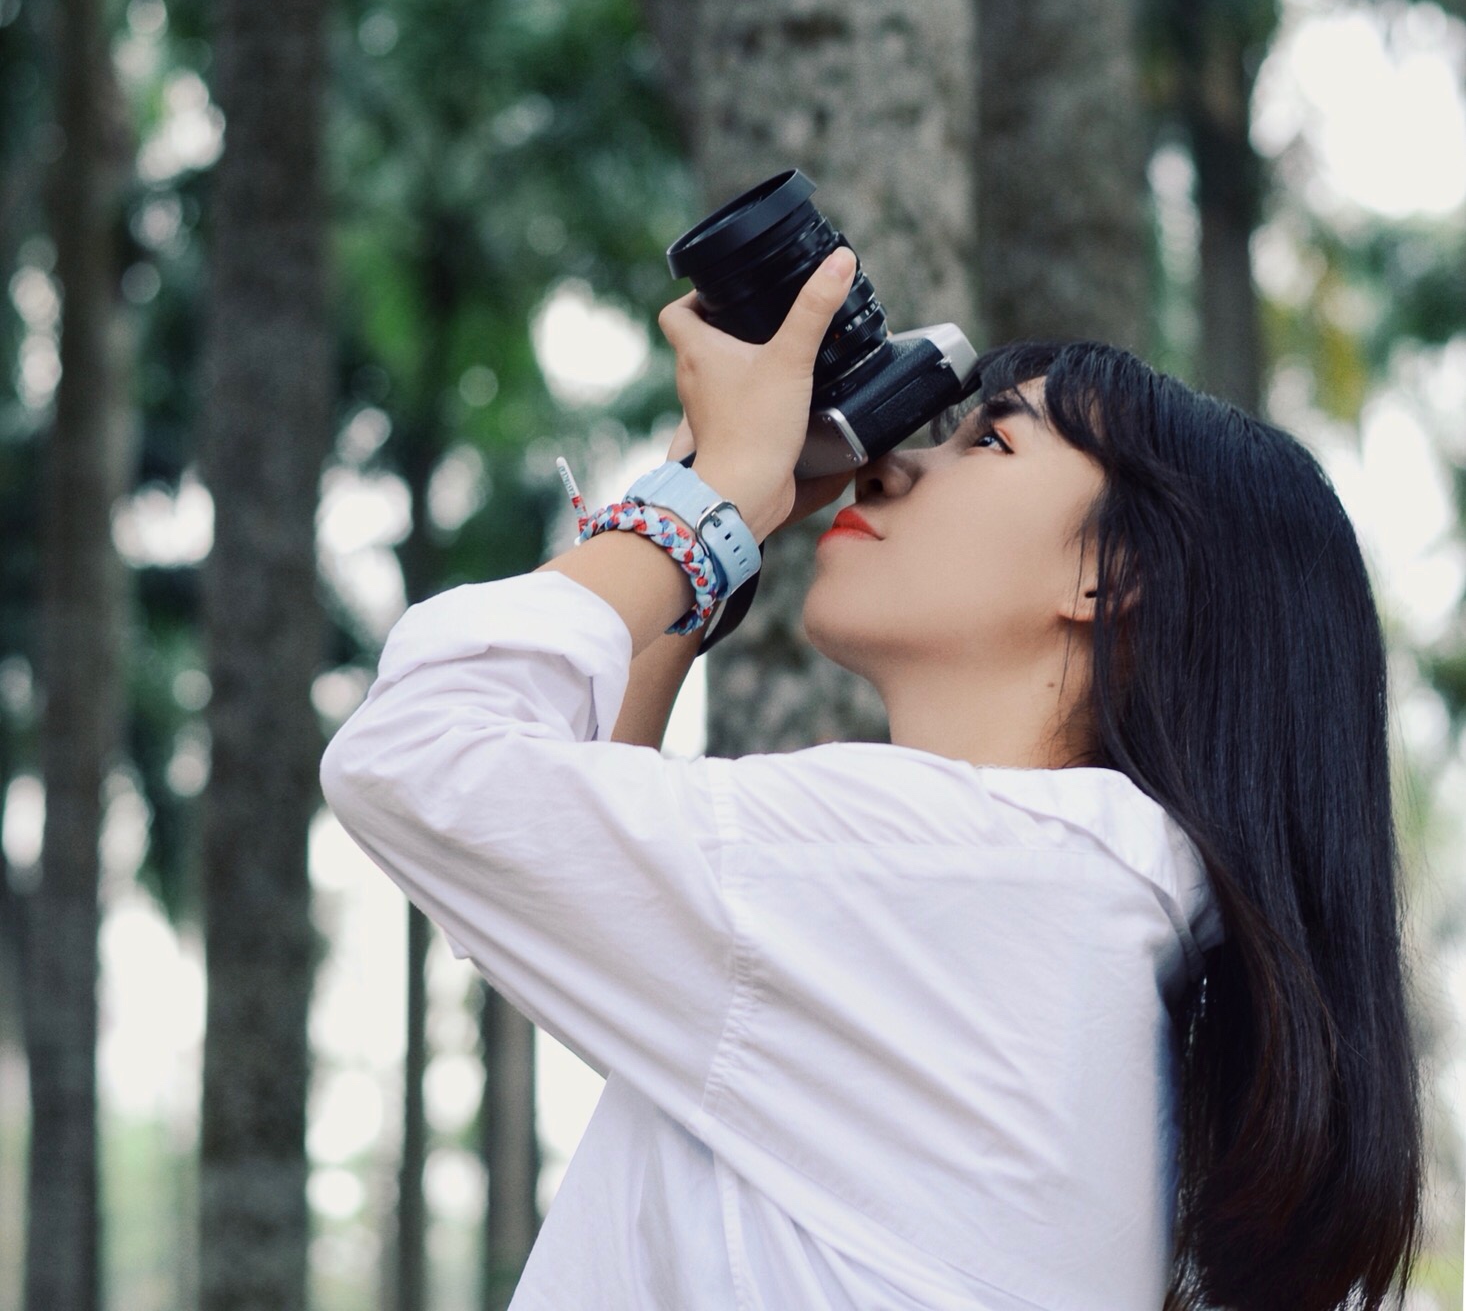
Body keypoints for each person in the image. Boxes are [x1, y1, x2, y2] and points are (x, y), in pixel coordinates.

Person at [319, 246, 1426, 1311]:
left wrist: (711, 495)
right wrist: (705, 514)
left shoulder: (964, 877)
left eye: (987, 443)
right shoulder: (1056, 913)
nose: (888, 462)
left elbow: (418, 757)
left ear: (1109, 573)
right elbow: (550, 872)